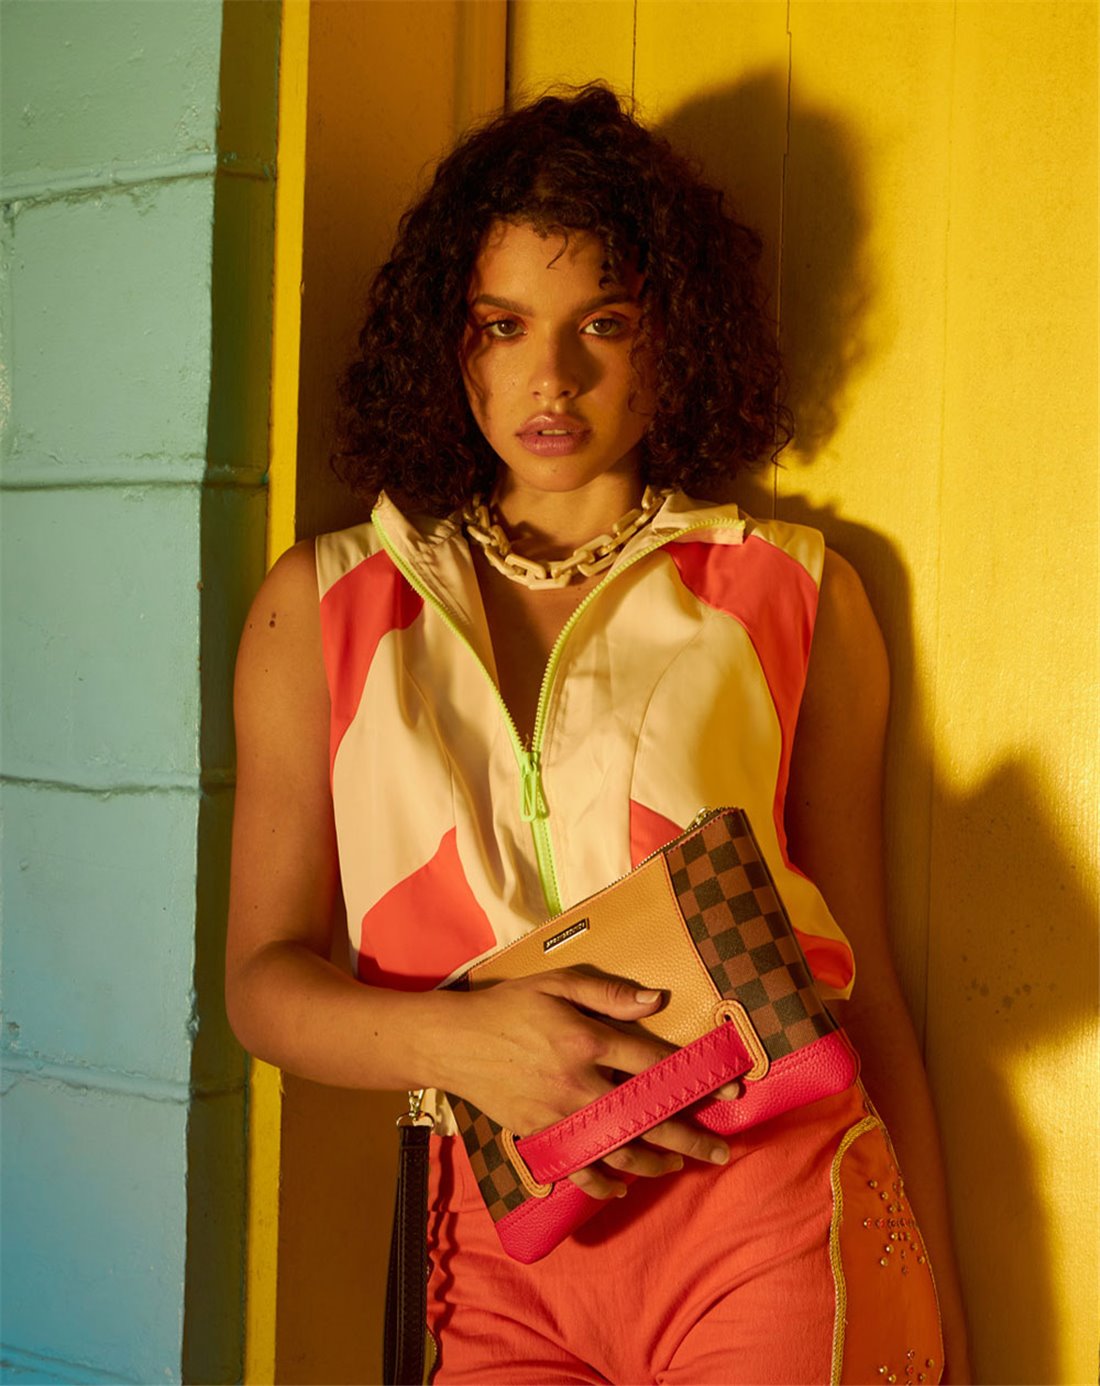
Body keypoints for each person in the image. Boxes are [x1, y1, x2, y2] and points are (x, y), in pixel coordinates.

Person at [226, 85, 970, 1383]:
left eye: (604, 324)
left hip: (771, 1205)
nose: (551, 379)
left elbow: (869, 979)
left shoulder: (794, 591)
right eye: (503, 325)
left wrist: (942, 1296)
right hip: (493, 1231)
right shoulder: (326, 603)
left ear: (676, 335)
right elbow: (259, 983)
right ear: (446, 340)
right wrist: (459, 1043)